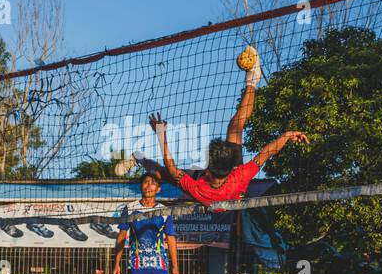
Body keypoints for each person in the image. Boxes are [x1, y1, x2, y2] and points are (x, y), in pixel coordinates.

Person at [122, 49, 309, 205]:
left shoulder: (198, 187)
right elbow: (267, 153)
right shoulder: (239, 176)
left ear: (207, 169)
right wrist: (286, 136)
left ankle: (139, 158)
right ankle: (253, 79)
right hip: (230, 190)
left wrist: (287, 135)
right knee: (235, 127)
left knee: (160, 173)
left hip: (210, 192)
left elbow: (171, 168)